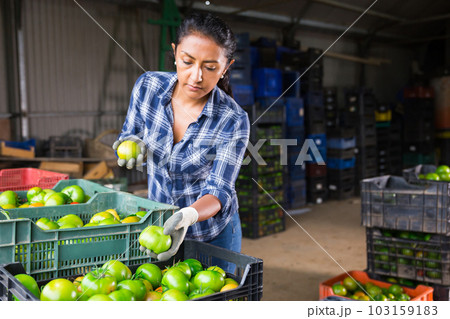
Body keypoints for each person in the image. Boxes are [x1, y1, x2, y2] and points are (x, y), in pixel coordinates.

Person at [113, 12, 250, 273]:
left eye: (210, 67)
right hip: (160, 227)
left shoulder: (233, 120)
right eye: (187, 62)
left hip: (213, 232)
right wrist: (131, 145)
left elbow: (219, 189)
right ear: (175, 53)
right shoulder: (148, 87)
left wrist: (186, 216)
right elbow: (130, 133)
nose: (196, 76)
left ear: (226, 67)